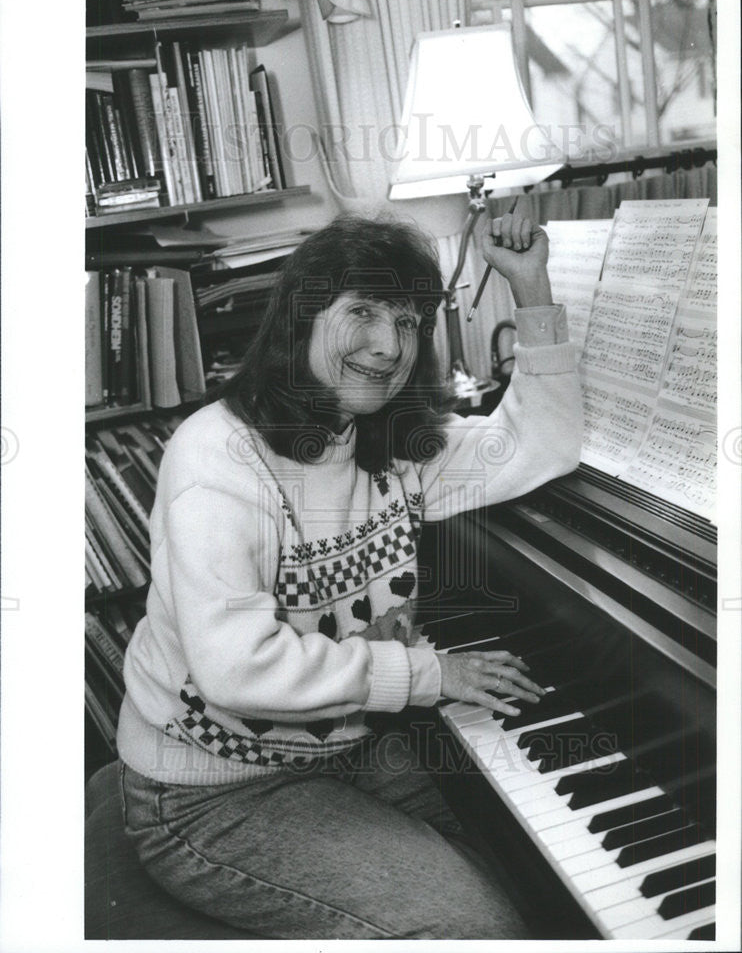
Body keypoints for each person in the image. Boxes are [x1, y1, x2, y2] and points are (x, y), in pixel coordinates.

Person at [117, 211, 583, 939]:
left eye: (407, 321)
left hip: (350, 744)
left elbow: (540, 444)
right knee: (473, 929)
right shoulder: (216, 459)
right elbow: (236, 670)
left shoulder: (388, 438)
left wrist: (530, 286)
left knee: (551, 863)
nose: (388, 346)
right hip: (211, 791)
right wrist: (431, 674)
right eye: (361, 312)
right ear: (302, 318)